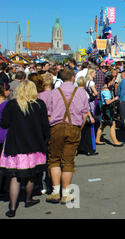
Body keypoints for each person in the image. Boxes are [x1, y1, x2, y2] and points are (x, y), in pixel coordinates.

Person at [0, 80, 50, 217]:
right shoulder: (39, 104)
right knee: (31, 174)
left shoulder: (11, 105)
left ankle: (12, 207)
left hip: (15, 144)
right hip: (34, 144)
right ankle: (28, 199)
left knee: (15, 177)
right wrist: (46, 140)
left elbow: (4, 124)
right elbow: (45, 125)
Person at [45, 68, 89, 204]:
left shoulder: (53, 93)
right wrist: (79, 128)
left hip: (56, 127)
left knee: (54, 159)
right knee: (68, 161)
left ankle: (54, 192)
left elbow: (48, 115)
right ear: (73, 78)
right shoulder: (81, 93)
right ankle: (65, 193)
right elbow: (85, 114)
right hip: (74, 127)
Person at [96, 75, 123, 147]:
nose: (114, 82)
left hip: (105, 109)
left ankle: (97, 139)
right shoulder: (106, 90)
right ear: (110, 81)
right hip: (107, 109)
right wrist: (115, 99)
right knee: (112, 124)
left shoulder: (104, 88)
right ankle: (115, 141)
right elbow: (107, 102)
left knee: (103, 124)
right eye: (113, 80)